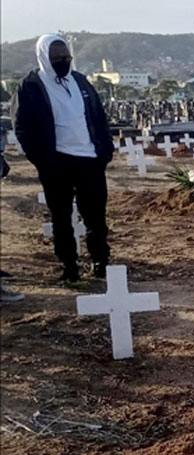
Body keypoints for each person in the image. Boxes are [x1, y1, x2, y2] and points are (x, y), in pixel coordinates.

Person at [14, 34, 114, 282]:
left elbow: (98, 117)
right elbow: (22, 127)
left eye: (66, 56)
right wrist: (43, 160)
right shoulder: (31, 86)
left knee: (95, 215)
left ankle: (100, 261)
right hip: (56, 162)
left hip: (90, 159)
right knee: (61, 217)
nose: (63, 61)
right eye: (56, 57)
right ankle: (69, 265)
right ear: (44, 57)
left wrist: (104, 151)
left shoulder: (80, 81)